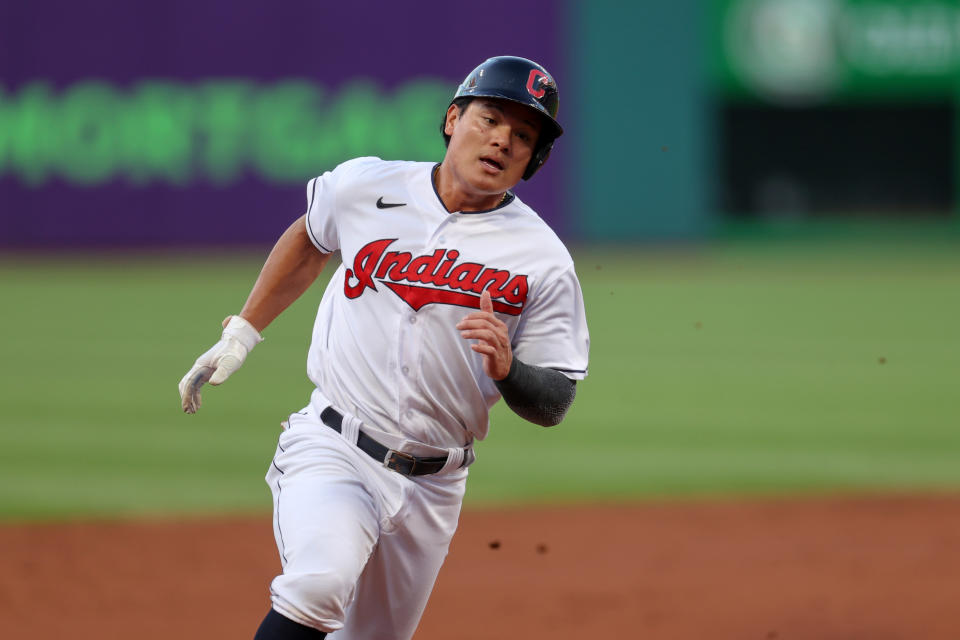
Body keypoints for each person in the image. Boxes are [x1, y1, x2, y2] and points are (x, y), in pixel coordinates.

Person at [178, 55, 589, 640]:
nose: (501, 140)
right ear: (453, 119)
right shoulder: (367, 186)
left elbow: (554, 402)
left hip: (435, 484)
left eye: (523, 136)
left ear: (534, 159)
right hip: (334, 446)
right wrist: (242, 331)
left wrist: (508, 368)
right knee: (318, 584)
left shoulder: (542, 259)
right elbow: (310, 236)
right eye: (490, 119)